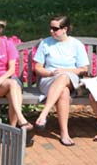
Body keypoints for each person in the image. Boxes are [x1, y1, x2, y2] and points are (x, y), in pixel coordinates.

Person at [32, 15, 89, 146]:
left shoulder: (76, 44)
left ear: (65, 29)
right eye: (50, 28)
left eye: (55, 28)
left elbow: (83, 69)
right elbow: (38, 68)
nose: (51, 31)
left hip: (71, 78)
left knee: (63, 77)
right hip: (49, 79)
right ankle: (64, 134)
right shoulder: (45, 43)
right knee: (63, 92)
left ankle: (44, 113)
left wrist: (65, 71)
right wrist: (50, 72)